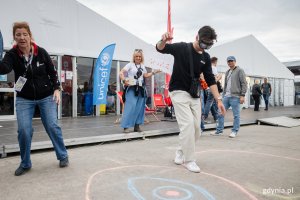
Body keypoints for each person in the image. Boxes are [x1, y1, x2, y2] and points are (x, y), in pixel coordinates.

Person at [0, 22, 69, 176]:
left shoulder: (41, 52)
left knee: (52, 126)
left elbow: (53, 72)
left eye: (25, 34)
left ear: (30, 36)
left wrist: (57, 89)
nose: (22, 37)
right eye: (18, 35)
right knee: (24, 130)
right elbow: (4, 68)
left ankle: (63, 155)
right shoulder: (12, 54)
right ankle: (25, 163)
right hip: (24, 98)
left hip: (46, 96)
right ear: (14, 37)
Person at [156, 26, 226, 173]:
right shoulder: (182, 47)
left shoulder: (205, 57)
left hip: (194, 94)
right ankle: (189, 160)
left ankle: (181, 152)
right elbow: (160, 48)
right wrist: (163, 40)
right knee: (187, 125)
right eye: (204, 43)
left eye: (209, 45)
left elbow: (210, 80)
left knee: (197, 129)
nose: (205, 47)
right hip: (178, 91)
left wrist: (218, 99)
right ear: (197, 37)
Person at [119, 49, 160, 133]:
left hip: (141, 88)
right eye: (136, 56)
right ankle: (126, 126)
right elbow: (121, 73)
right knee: (131, 106)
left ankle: (137, 126)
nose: (138, 58)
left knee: (139, 108)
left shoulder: (142, 66)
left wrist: (154, 72)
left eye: (140, 57)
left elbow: (145, 75)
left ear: (142, 58)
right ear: (134, 57)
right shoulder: (130, 65)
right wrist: (124, 80)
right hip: (131, 88)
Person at [212, 56, 247, 138]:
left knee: (236, 115)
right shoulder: (227, 72)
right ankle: (219, 130)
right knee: (220, 112)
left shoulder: (240, 70)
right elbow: (225, 84)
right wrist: (223, 95)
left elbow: (244, 83)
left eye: (231, 61)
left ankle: (234, 131)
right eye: (228, 61)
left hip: (236, 96)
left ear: (235, 61)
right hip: (226, 96)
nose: (230, 62)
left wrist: (242, 95)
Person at [202, 57, 221, 123]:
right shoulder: (214, 68)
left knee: (211, 103)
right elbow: (214, 79)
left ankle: (215, 117)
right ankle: (204, 116)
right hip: (212, 88)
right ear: (215, 61)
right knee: (210, 102)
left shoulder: (208, 67)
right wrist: (219, 77)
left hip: (207, 88)